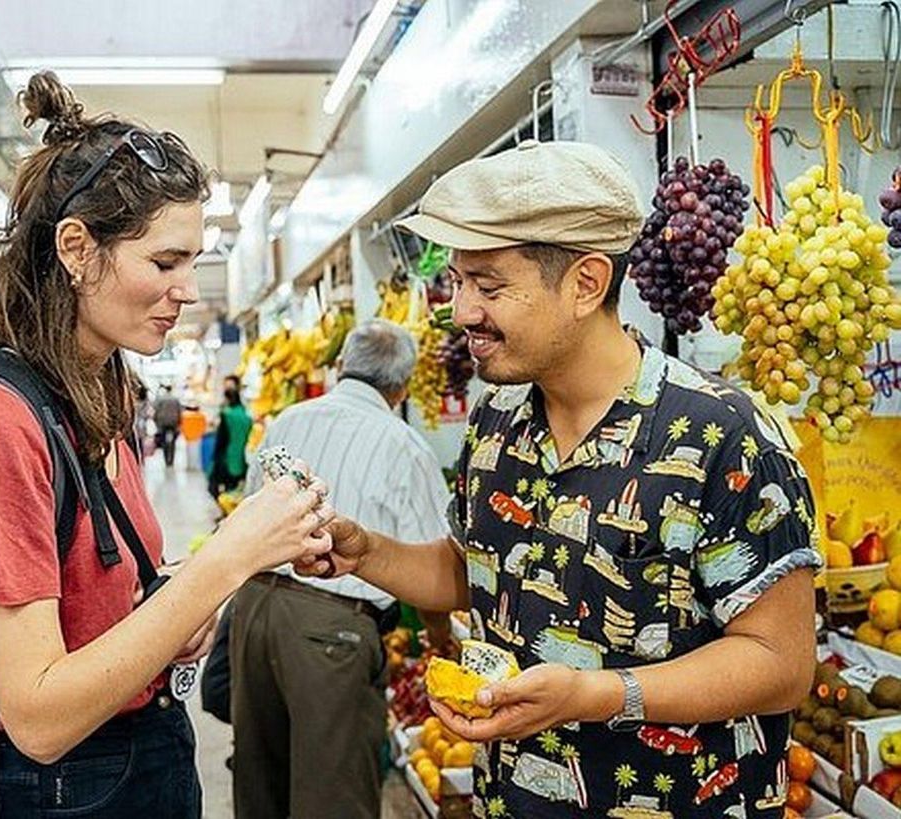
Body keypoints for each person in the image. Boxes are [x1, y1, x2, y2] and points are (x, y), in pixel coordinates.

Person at [297, 141, 821, 817]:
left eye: (488, 286)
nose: (461, 311)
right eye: (458, 282)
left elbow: (781, 663)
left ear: (586, 284)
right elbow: (478, 571)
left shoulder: (723, 436)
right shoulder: (497, 419)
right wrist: (366, 552)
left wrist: (598, 693)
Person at [0, 71, 334, 819]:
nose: (189, 291)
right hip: (61, 786)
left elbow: (91, 600)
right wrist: (226, 558)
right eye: (165, 262)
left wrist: (174, 599)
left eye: (193, 262)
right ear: (76, 248)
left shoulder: (102, 388)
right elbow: (38, 715)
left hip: (137, 755)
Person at [232, 319, 454, 819]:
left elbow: (249, 513)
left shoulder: (289, 420)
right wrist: (439, 640)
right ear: (401, 387)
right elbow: (435, 570)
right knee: (335, 793)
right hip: (331, 631)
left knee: (259, 780)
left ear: (341, 367)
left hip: (255, 610)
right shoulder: (405, 446)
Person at [207, 374, 252, 499]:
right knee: (235, 489)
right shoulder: (245, 414)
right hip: (242, 458)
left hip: (227, 458)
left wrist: (215, 461)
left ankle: (227, 511)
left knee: (219, 488)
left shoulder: (227, 414)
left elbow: (222, 440)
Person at [154, 384, 182, 467]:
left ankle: (166, 460)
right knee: (173, 442)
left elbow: (156, 410)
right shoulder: (176, 399)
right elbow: (179, 411)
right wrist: (179, 423)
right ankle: (171, 461)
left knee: (164, 442)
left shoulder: (161, 399)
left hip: (163, 422)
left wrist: (156, 421)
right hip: (173, 422)